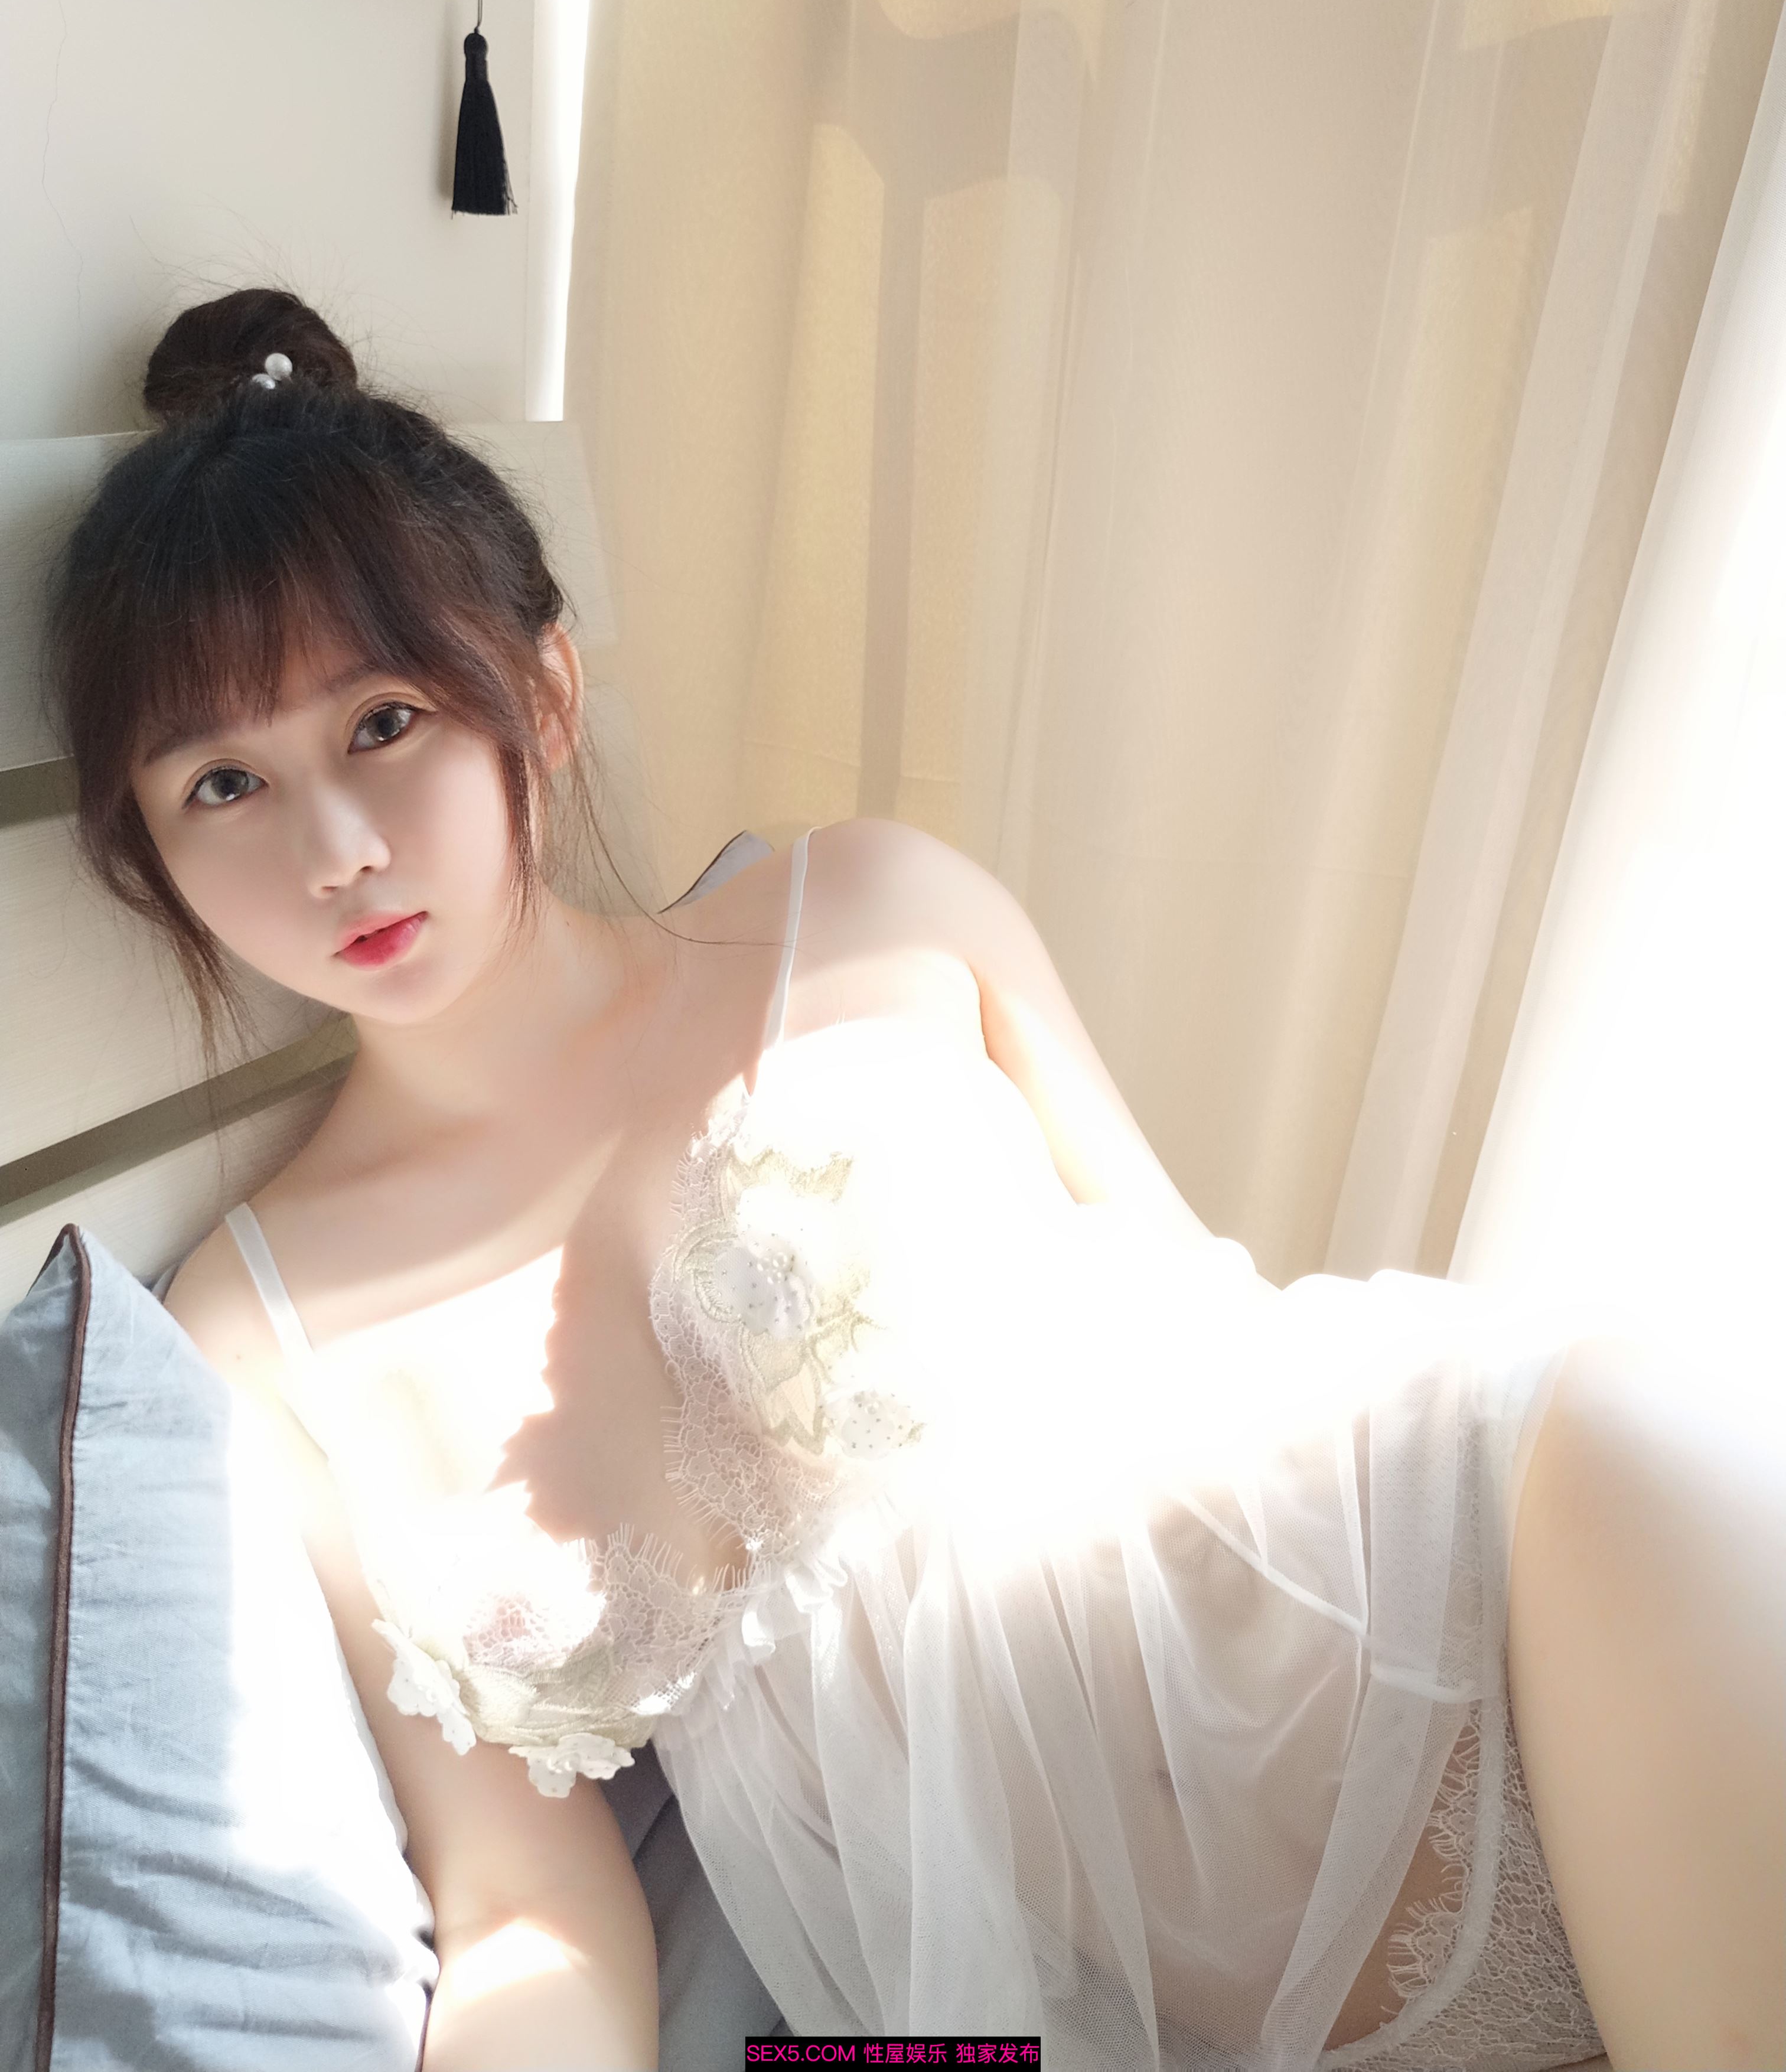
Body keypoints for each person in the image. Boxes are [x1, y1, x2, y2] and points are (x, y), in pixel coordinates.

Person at [46, 288, 1783, 2072]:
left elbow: (1216, 1311)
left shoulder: (874, 908)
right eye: (224, 784)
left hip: (1525, 1577)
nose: (334, 849)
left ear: (542, 697)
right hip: (1184, 2013)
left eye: (386, 722)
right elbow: (527, 1906)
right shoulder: (267, 1331)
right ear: (146, 856)